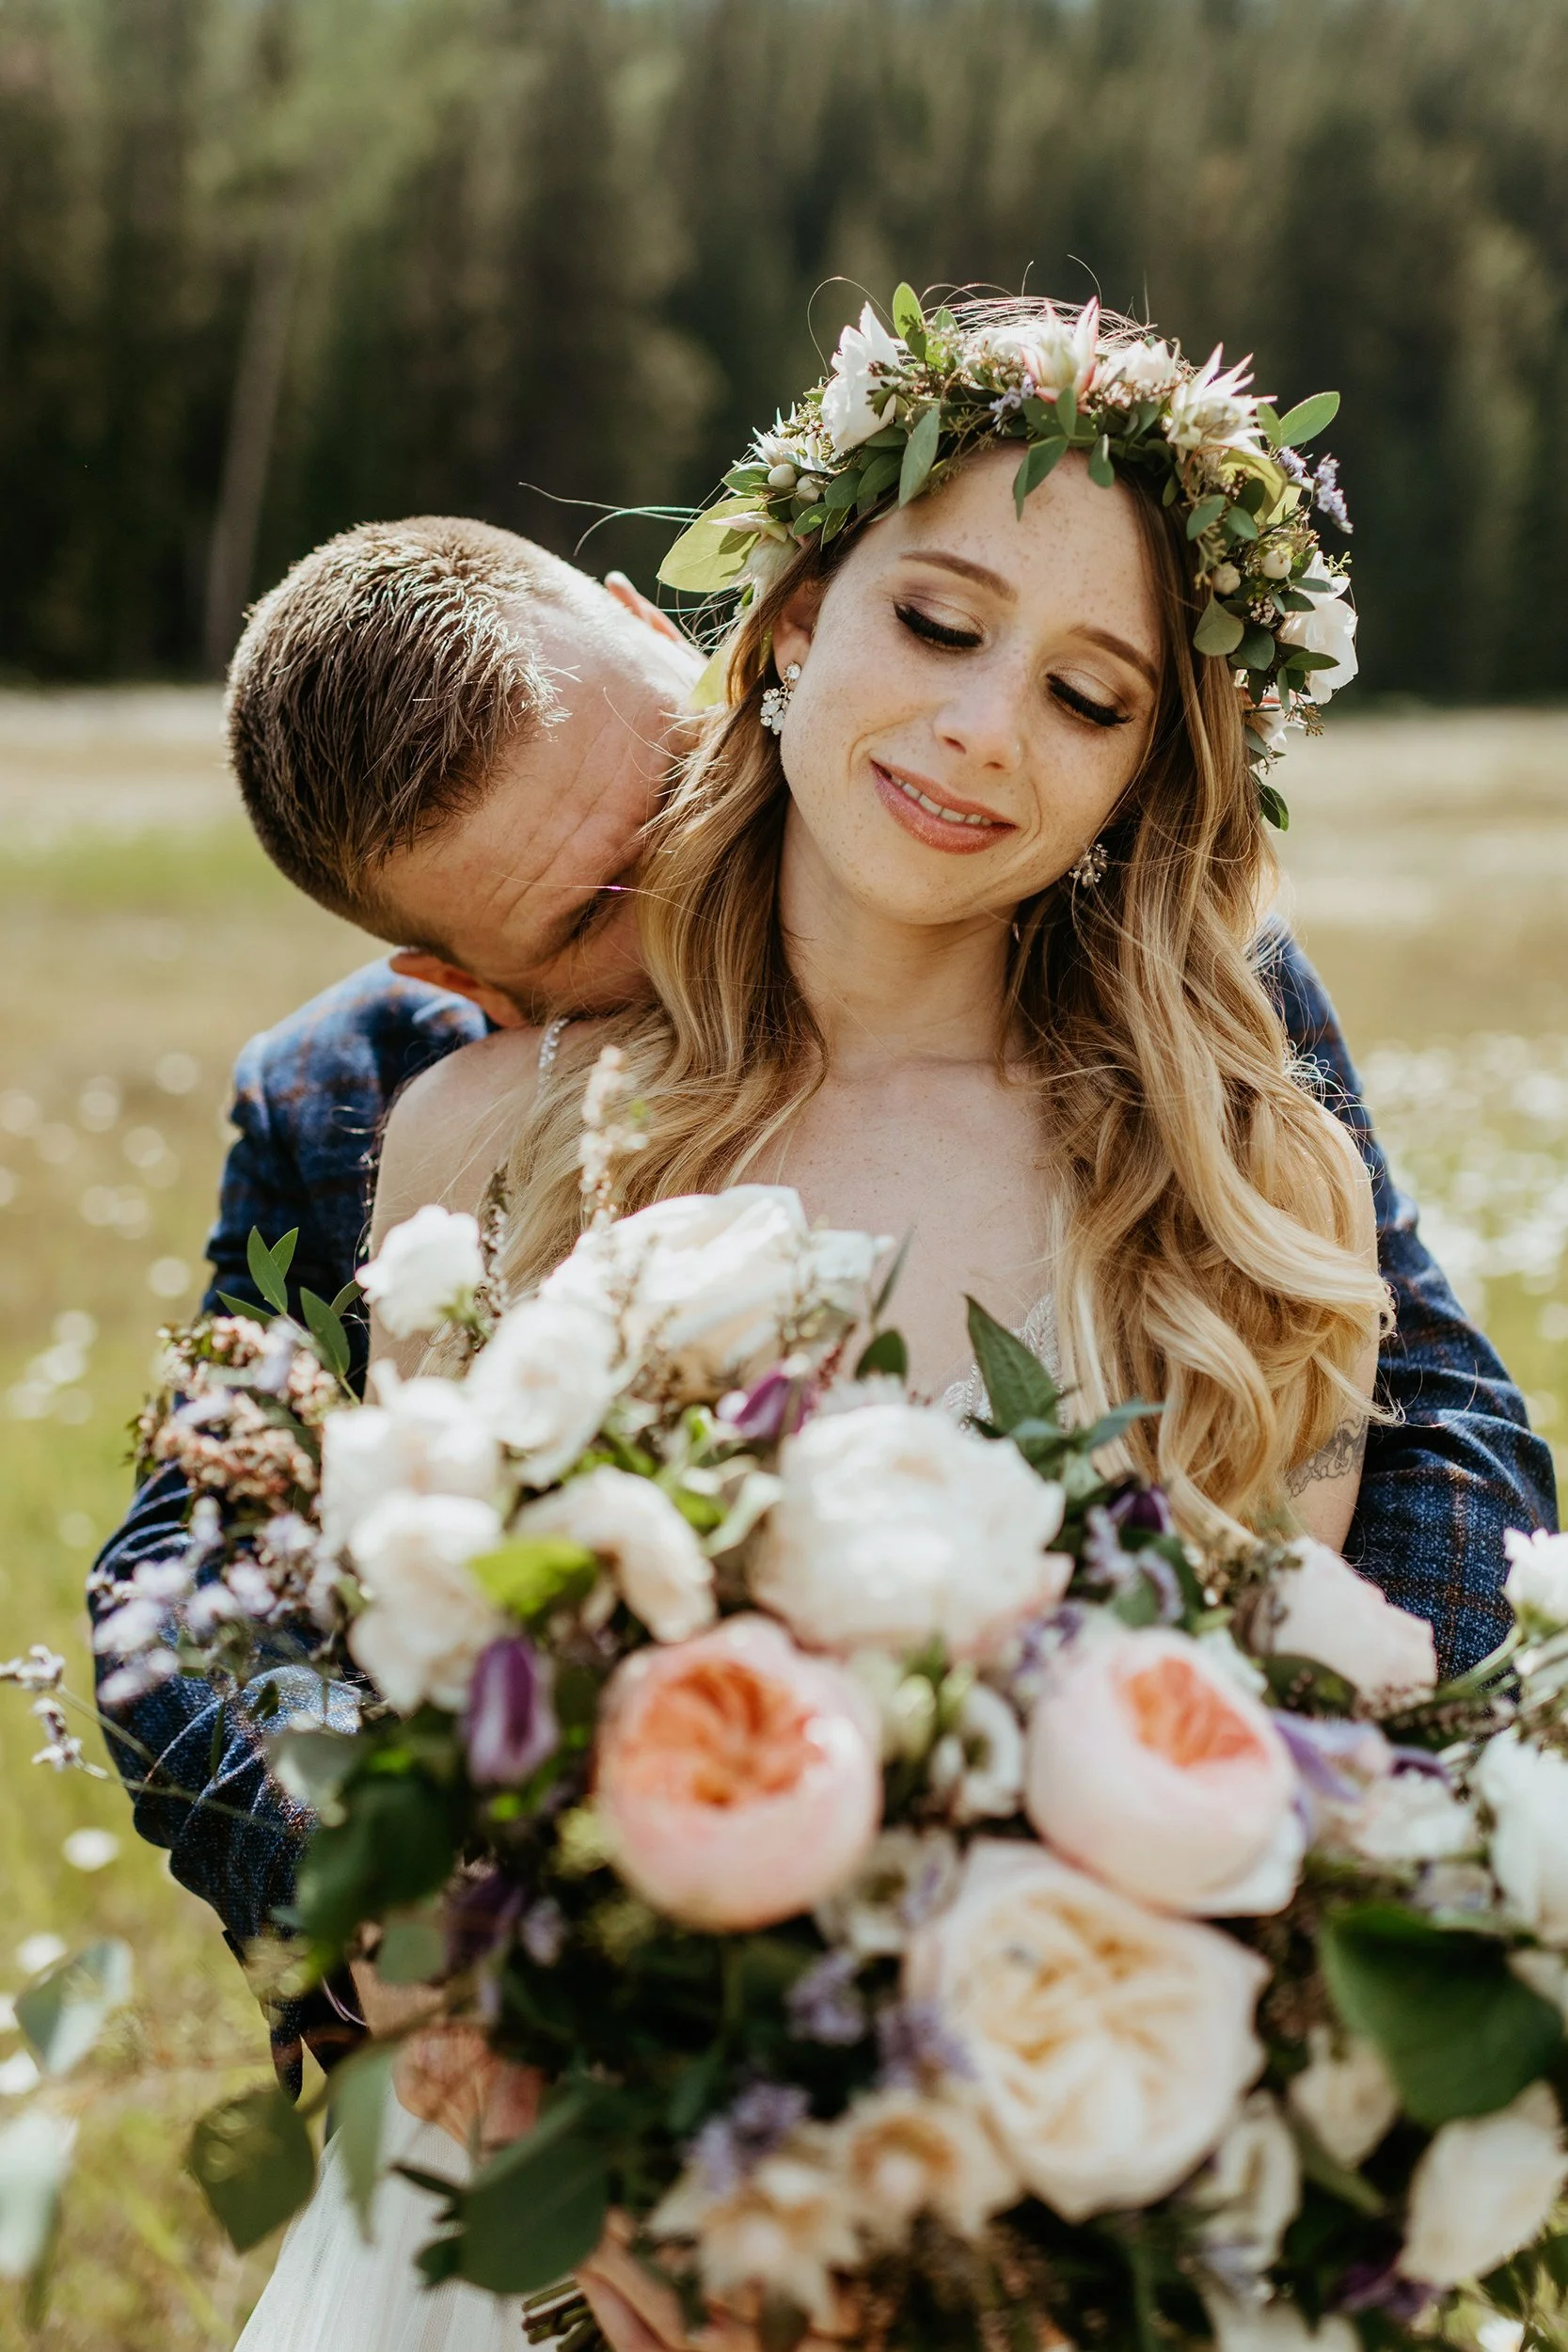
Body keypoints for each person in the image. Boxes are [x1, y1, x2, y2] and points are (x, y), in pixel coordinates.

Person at [89, 448, 1550, 2328]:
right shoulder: (406, 1110)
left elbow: (1435, 1443)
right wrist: (419, 1973)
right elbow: (200, 1592)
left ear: (683, 628)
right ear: (452, 971)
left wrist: (1321, 1950)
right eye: (588, 909)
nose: (701, 851)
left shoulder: (1194, 1042)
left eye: (676, 767)